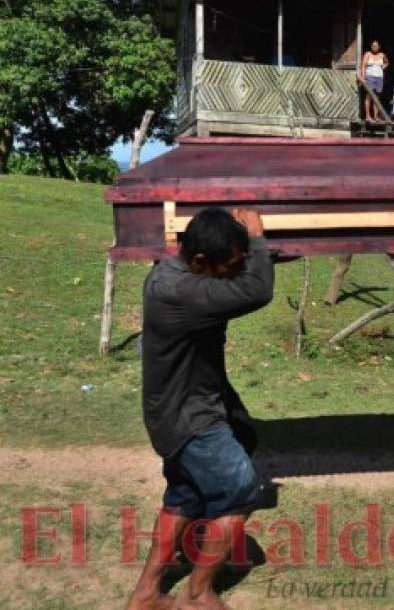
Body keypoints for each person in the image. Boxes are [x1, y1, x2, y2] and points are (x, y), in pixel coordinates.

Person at [127, 207, 274, 610]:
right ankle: (197, 594)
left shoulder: (173, 273)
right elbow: (257, 291)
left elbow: (245, 275)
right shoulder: (180, 291)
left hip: (174, 414)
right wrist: (258, 239)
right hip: (192, 419)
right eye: (229, 265)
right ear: (199, 261)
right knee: (241, 492)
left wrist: (253, 252)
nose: (235, 271)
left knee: (184, 498)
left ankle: (146, 594)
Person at [359, 40, 389, 122]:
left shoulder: (382, 55)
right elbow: (363, 65)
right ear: (371, 47)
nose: (374, 47)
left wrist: (383, 67)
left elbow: (387, 62)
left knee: (377, 97)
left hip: (379, 78)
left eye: (376, 46)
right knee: (369, 96)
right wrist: (363, 75)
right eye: (373, 46)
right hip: (370, 77)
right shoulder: (368, 54)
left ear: (379, 47)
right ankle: (368, 116)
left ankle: (376, 117)